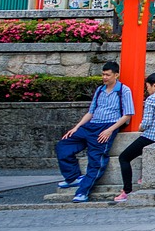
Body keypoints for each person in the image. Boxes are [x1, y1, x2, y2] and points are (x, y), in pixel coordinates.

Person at [55, 61, 134, 202]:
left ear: (116, 75)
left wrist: (110, 130)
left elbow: (127, 115)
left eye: (108, 75)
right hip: (91, 125)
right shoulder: (100, 90)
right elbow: (91, 112)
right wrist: (77, 127)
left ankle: (83, 192)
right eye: (103, 74)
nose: (104, 77)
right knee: (64, 144)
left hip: (107, 126)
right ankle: (72, 176)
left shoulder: (123, 90)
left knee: (95, 161)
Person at [113, 72, 155, 202]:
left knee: (124, 157)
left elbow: (147, 123)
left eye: (147, 86)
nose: (147, 89)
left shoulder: (152, 99)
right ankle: (144, 176)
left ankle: (126, 190)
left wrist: (140, 127)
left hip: (152, 136)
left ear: (154, 86)